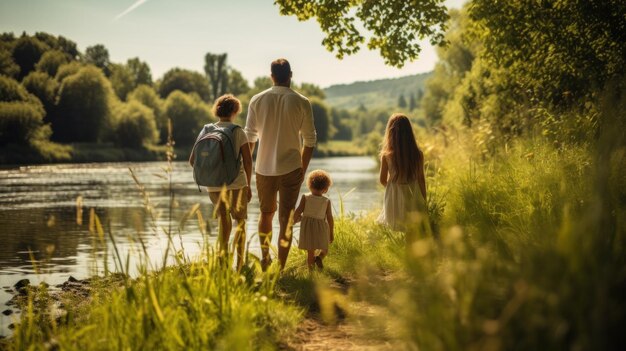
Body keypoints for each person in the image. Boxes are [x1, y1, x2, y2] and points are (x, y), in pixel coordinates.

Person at [244, 58, 317, 270]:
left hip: (263, 168)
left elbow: (250, 139)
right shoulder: (302, 101)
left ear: (272, 77)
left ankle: (265, 259)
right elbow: (310, 140)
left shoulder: (257, 100)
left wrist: (246, 175)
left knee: (266, 214)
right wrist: (302, 168)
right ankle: (282, 268)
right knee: (286, 218)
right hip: (292, 167)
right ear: (291, 75)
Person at [190, 94, 252, 270]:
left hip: (214, 186)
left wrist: (212, 173)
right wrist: (248, 185)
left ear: (217, 110)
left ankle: (222, 263)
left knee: (223, 222)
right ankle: (239, 265)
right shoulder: (237, 131)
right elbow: (247, 161)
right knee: (239, 222)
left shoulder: (206, 129)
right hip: (237, 184)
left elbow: (192, 160)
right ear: (234, 111)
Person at [378, 113, 430, 242]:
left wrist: (392, 188)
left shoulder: (387, 156)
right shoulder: (418, 154)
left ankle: (405, 254)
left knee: (399, 223)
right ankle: (411, 253)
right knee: (412, 227)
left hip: (394, 196)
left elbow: (382, 180)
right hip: (413, 195)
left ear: (390, 133)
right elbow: (421, 179)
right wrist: (423, 201)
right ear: (409, 133)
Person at [294, 170, 334, 271]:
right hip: (321, 227)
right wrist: (331, 233)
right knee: (325, 249)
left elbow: (298, 210)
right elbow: (330, 217)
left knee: (310, 252)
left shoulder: (305, 197)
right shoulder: (326, 201)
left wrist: (293, 221)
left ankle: (311, 273)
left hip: (307, 227)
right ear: (325, 189)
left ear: (309, 185)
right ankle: (319, 258)